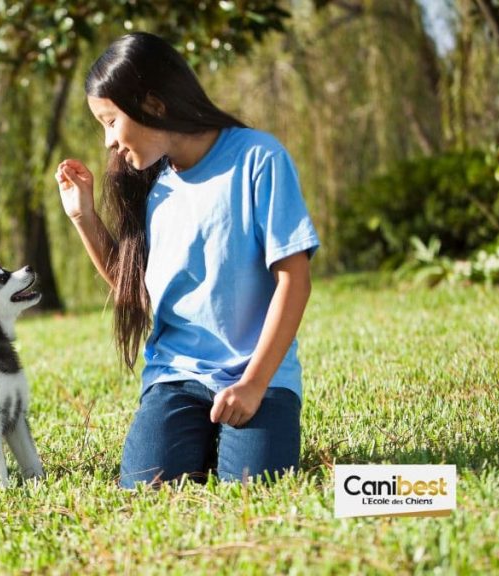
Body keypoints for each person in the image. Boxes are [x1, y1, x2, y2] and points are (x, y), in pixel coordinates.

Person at [55, 32, 320, 488]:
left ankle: (231, 437)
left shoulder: (258, 158)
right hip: (177, 377)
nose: (107, 142)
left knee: (255, 492)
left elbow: (294, 280)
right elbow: (134, 290)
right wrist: (84, 216)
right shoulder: (150, 182)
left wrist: (253, 384)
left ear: (154, 105)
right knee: (144, 490)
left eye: (111, 121)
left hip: (260, 376)